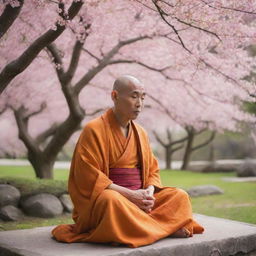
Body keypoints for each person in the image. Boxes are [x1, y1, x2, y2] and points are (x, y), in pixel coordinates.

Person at [52, 75, 204, 248]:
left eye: (142, 97)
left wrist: (148, 191)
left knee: (179, 196)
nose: (139, 103)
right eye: (134, 96)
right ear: (115, 96)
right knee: (112, 202)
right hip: (113, 197)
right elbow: (88, 175)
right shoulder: (93, 129)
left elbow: (152, 170)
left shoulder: (141, 133)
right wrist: (130, 195)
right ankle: (165, 229)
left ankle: (144, 228)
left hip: (140, 199)